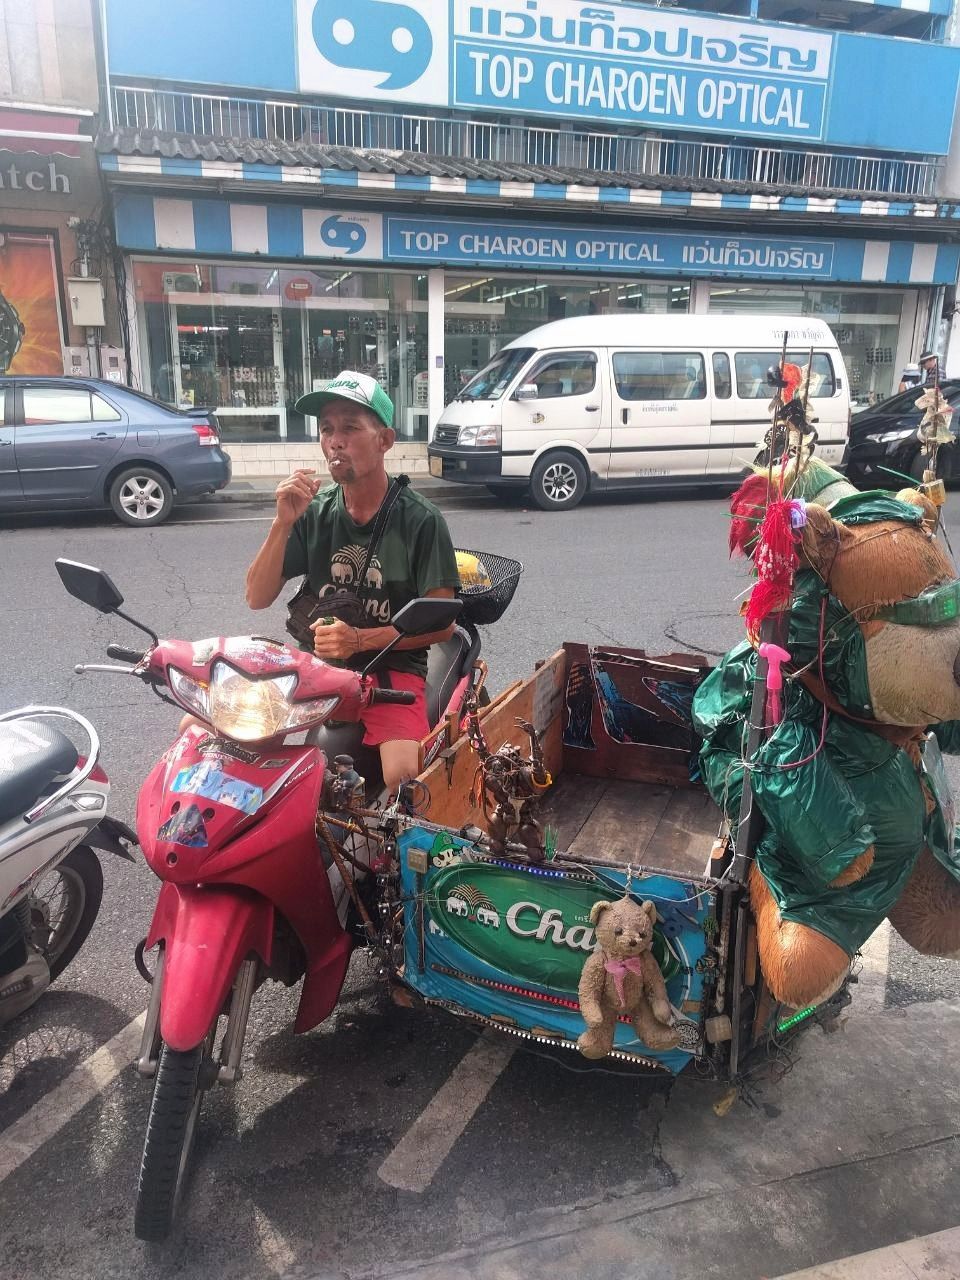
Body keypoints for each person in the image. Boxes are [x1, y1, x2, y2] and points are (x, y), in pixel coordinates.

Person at [245, 371, 460, 793]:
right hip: (318, 667)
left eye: (350, 427)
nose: (335, 441)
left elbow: (442, 624)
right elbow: (257, 597)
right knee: (229, 729)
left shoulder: (422, 521)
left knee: (405, 783)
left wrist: (359, 641)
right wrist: (281, 523)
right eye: (327, 429)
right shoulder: (313, 511)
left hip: (392, 670)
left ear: (385, 440)